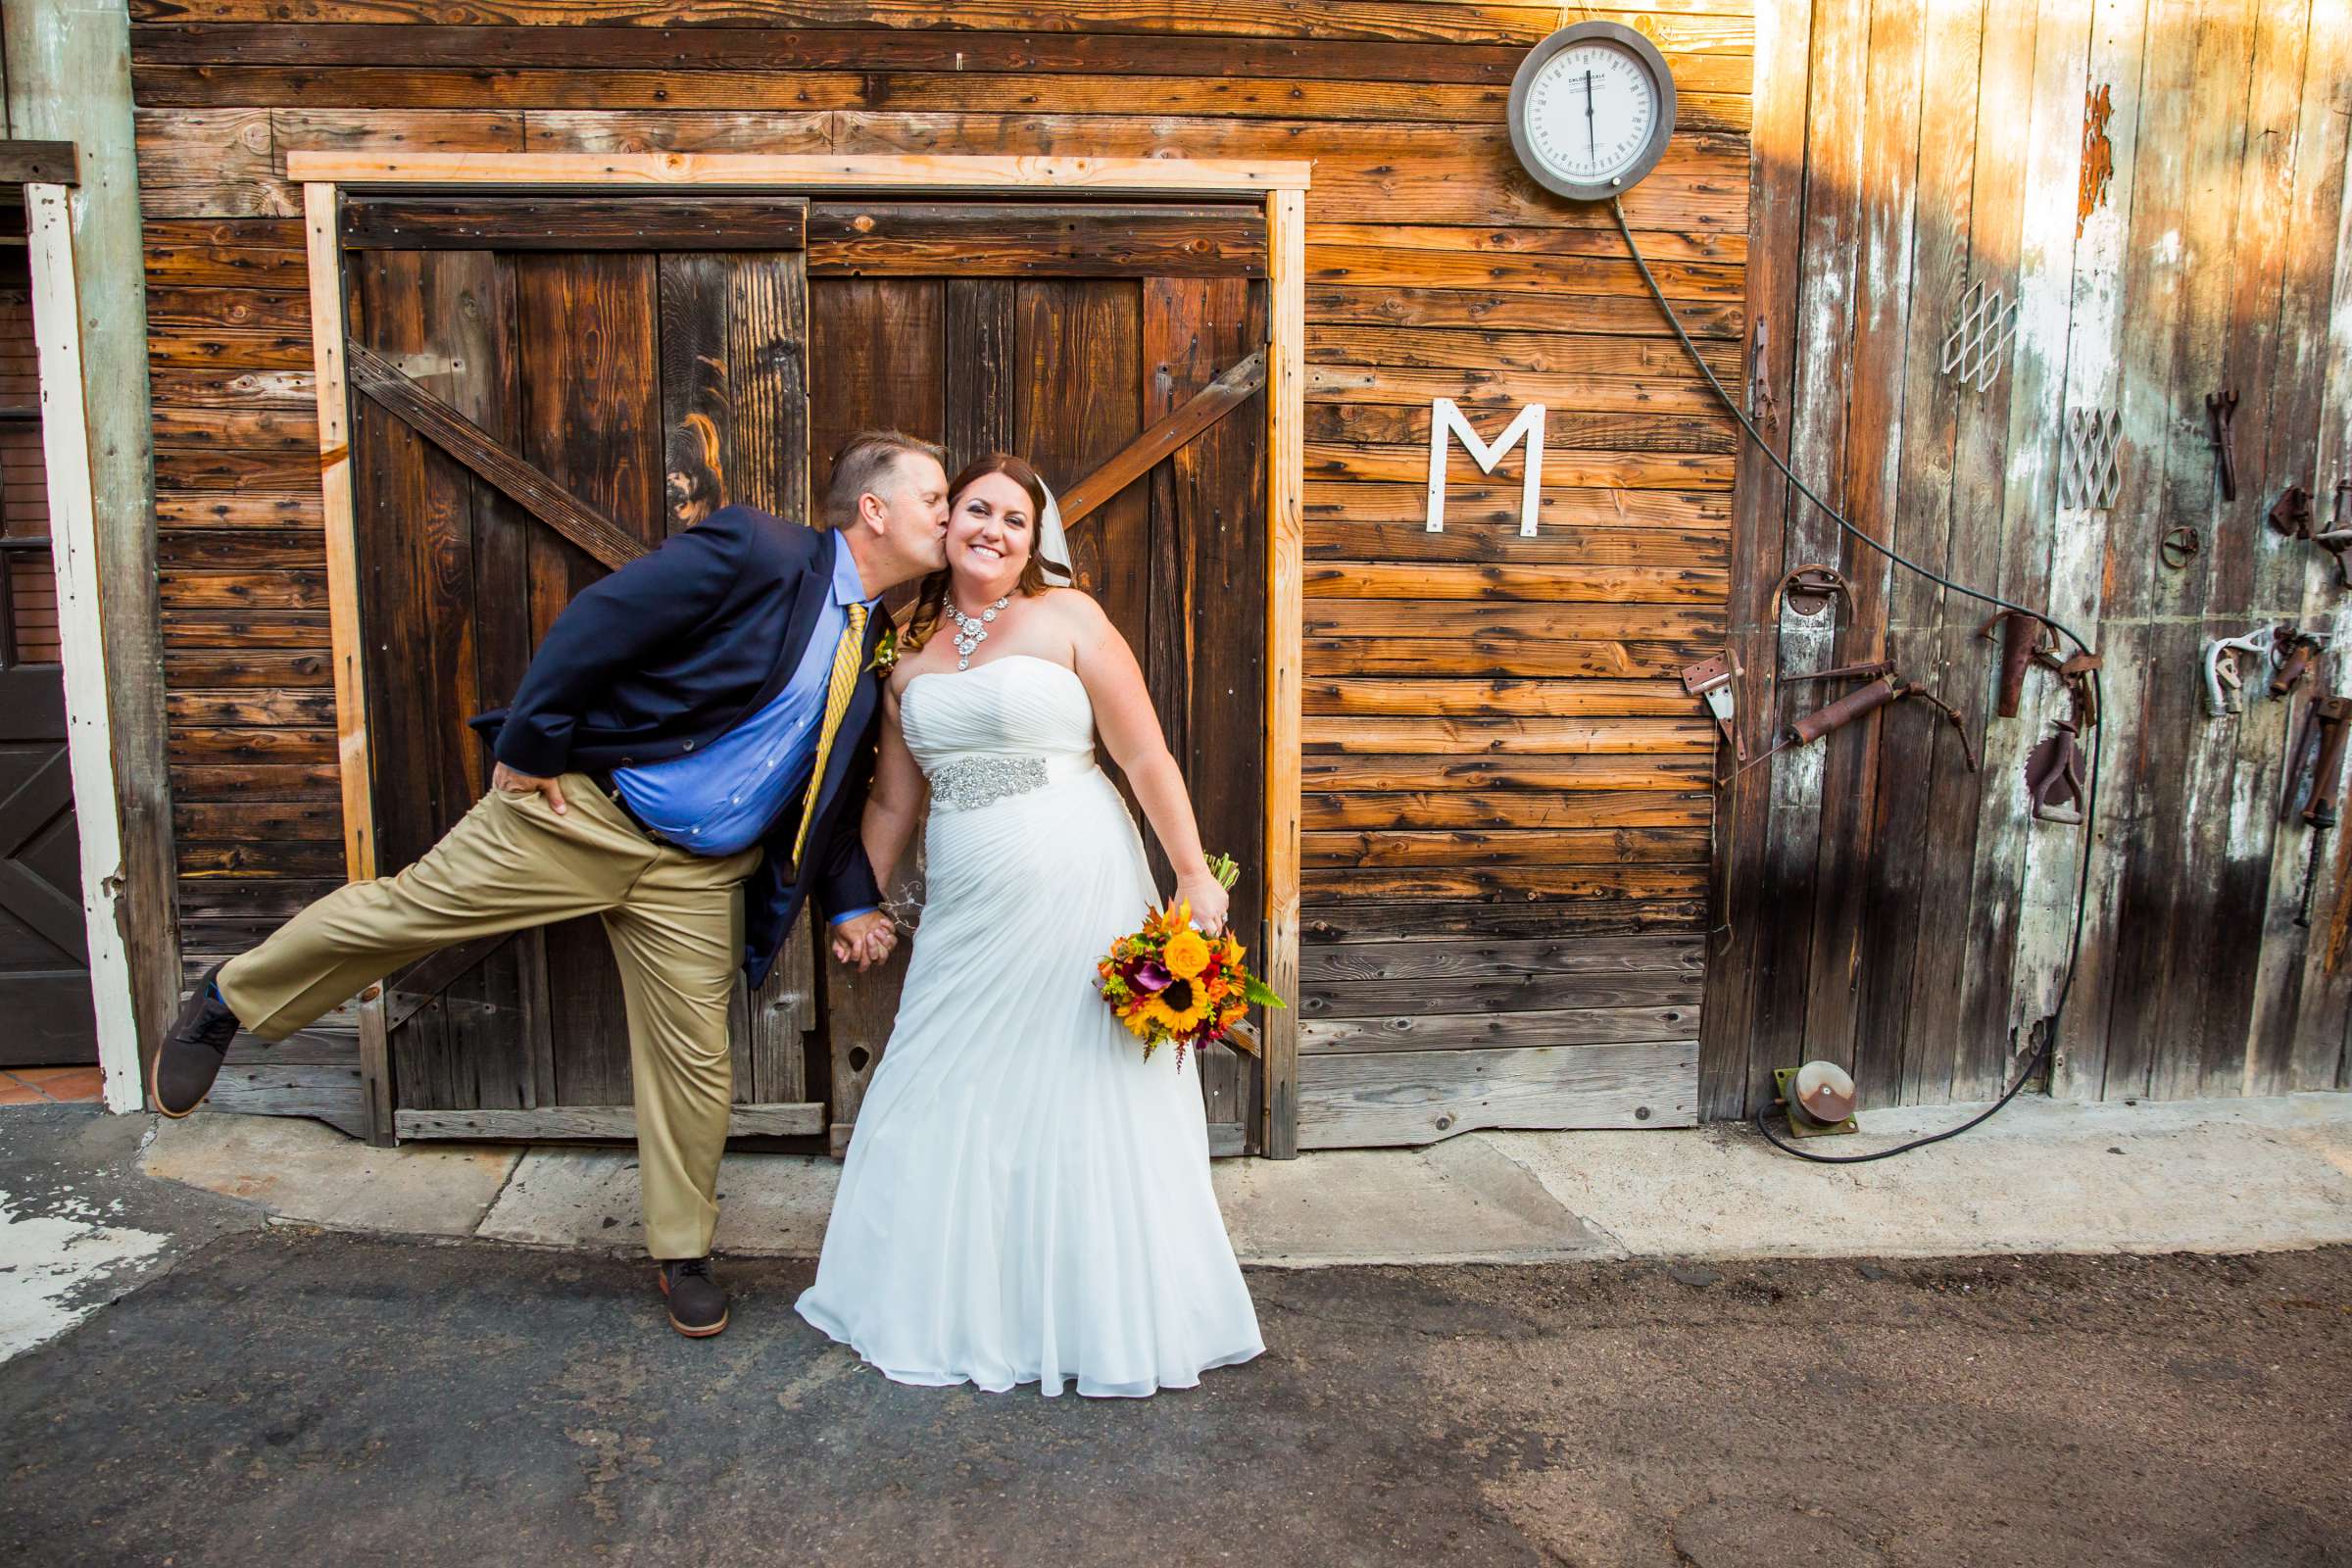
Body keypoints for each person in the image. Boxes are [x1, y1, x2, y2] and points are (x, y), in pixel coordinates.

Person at [146, 430, 952, 1339]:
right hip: (582, 817)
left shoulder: (872, 635)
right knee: (407, 913)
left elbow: (829, 792)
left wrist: (848, 898)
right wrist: (529, 747)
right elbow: (598, 623)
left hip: (695, 877)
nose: (949, 514)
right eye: (935, 498)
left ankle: (682, 1251)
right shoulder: (760, 552)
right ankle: (226, 997)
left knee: (696, 1067)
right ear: (874, 511)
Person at [796, 453, 1264, 1396]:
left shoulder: (1071, 619)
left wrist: (1189, 873)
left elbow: (1143, 753)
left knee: (1081, 1089)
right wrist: (863, 904)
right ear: (945, 521)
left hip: (1079, 879)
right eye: (977, 510)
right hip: (968, 901)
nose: (994, 531)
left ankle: (1094, 1312)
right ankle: (956, 1304)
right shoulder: (906, 648)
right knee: (946, 1073)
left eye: (1016, 519)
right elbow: (892, 804)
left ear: (1034, 538)